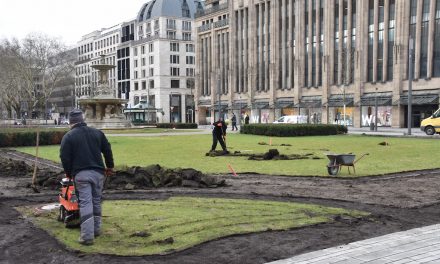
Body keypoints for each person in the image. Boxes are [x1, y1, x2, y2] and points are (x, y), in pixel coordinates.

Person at [60, 109, 114, 246]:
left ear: (71, 122)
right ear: (82, 120)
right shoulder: (97, 133)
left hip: (81, 175)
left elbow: (64, 157)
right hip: (98, 173)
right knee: (96, 201)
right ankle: (96, 230)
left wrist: (68, 172)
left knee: (85, 203)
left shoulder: (69, 136)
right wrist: (110, 167)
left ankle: (87, 237)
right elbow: (107, 149)